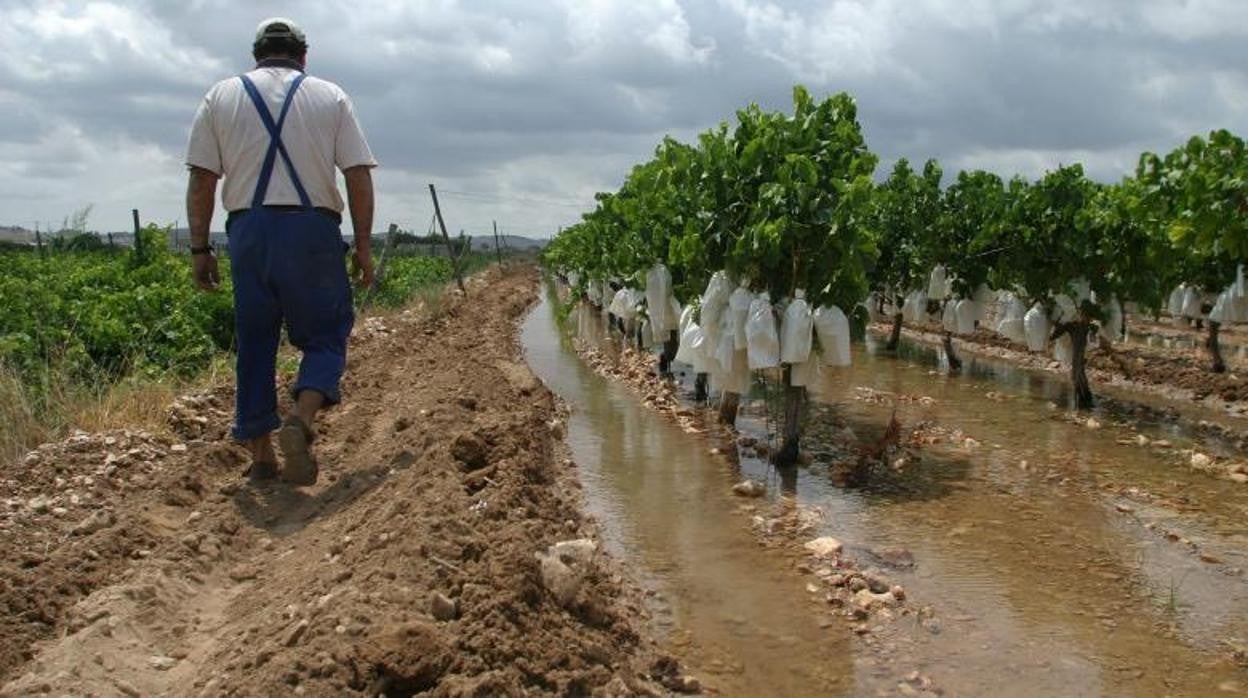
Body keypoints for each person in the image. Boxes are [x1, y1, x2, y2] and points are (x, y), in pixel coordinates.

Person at [185, 17, 377, 486]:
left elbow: (201, 180)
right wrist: (364, 247)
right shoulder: (330, 96)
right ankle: (303, 417)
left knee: (255, 342)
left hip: (247, 230)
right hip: (312, 230)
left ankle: (262, 455)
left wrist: (199, 248)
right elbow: (357, 174)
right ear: (303, 57)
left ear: (256, 55)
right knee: (327, 335)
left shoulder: (221, 96)